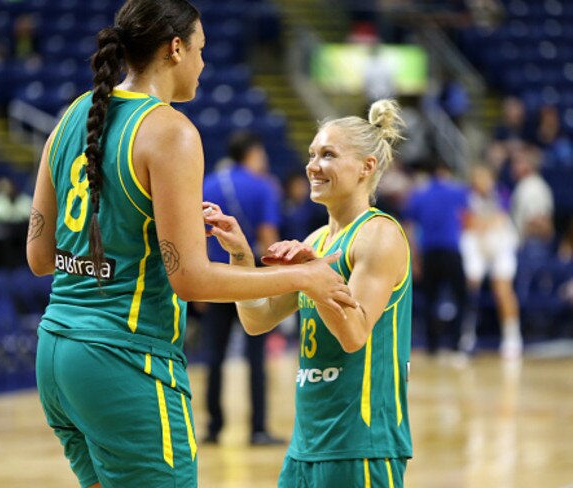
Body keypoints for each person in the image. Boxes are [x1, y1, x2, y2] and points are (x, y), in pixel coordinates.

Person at [26, 1, 354, 487]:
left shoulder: (73, 115)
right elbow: (190, 279)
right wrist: (307, 275)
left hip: (57, 355)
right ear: (175, 49)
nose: (204, 63)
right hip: (125, 361)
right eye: (201, 49)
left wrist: (117, 253)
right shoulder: (169, 131)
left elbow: (38, 257)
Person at [203, 99, 412, 486]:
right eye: (312, 154)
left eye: (328, 155)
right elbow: (256, 320)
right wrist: (240, 255)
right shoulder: (317, 240)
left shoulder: (379, 234)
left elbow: (354, 334)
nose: (312, 166)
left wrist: (314, 277)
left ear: (367, 167)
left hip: (360, 444)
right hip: (307, 445)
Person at [200, 131, 284, 446]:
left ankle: (213, 428)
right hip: (248, 280)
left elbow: (198, 234)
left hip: (214, 280)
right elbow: (268, 240)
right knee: (256, 356)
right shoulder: (263, 187)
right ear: (251, 153)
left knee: (214, 355)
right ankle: (258, 429)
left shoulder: (209, 183)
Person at [404, 160, 469, 356]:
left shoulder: (419, 195)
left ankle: (431, 345)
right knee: (461, 298)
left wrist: (414, 257)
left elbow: (409, 227)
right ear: (445, 172)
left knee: (429, 299)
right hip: (451, 250)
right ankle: (456, 343)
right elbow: (468, 216)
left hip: (429, 253)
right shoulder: (457, 192)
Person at [459, 165, 522, 359]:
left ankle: (512, 337)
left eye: (484, 177)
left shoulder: (501, 192)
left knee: (502, 288)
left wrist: (483, 225)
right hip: (476, 243)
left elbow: (499, 218)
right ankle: (466, 335)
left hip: (499, 242)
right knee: (471, 286)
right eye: (477, 178)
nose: (481, 182)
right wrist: (480, 226)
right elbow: (467, 222)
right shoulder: (465, 196)